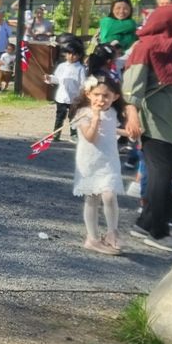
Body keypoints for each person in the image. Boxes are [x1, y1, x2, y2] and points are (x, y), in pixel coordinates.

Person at [123, 4, 172, 253]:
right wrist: (132, 116)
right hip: (154, 120)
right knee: (162, 173)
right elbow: (131, 88)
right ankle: (157, 233)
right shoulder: (145, 47)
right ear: (170, 21)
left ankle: (144, 224)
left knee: (170, 173)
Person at [70, 75, 128, 256]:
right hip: (89, 162)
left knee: (109, 195)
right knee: (92, 198)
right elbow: (90, 137)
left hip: (109, 160)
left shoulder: (112, 113)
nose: (101, 99)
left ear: (115, 97)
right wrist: (95, 117)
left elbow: (110, 130)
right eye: (97, 95)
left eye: (106, 96)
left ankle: (112, 232)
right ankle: (93, 238)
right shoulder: (83, 114)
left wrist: (128, 132)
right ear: (88, 94)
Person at [46, 47, 86, 141]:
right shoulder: (62, 66)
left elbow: (83, 83)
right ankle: (56, 134)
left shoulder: (80, 68)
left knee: (74, 117)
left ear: (79, 56)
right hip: (62, 96)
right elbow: (57, 79)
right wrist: (50, 78)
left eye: (74, 54)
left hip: (75, 97)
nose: (71, 56)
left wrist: (81, 96)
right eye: (69, 54)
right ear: (65, 55)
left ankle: (74, 134)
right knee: (60, 116)